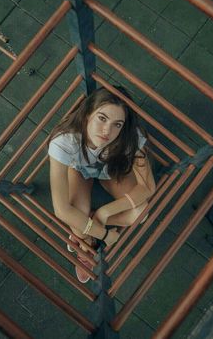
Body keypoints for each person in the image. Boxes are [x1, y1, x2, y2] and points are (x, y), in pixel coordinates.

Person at [48, 86, 156, 283]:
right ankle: (86, 242)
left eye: (117, 124)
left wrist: (103, 214)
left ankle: (88, 223)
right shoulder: (64, 141)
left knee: (141, 214)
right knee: (79, 227)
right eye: (102, 118)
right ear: (88, 113)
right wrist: (104, 235)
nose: (107, 131)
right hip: (79, 172)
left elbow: (148, 187)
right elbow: (61, 210)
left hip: (111, 171)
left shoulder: (129, 136)